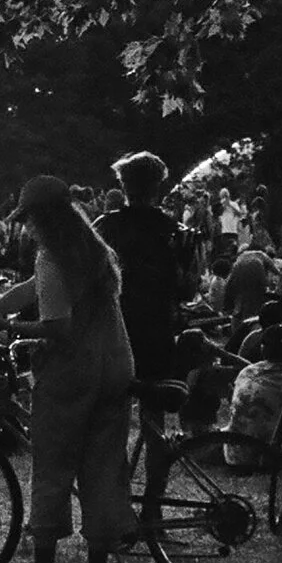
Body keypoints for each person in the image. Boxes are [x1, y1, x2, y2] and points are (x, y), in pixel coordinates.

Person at [0, 174, 137, 563]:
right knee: (103, 473)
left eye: (28, 218)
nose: (26, 227)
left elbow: (58, 326)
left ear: (40, 218)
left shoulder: (51, 255)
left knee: (51, 470)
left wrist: (9, 327)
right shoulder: (94, 252)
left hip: (72, 376)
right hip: (116, 365)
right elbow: (34, 290)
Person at [94, 151, 187, 449]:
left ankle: (112, 484)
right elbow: (185, 287)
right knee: (154, 414)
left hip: (117, 327)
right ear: (157, 186)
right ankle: (154, 489)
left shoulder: (105, 228)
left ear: (123, 185)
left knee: (111, 409)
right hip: (158, 327)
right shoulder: (173, 230)